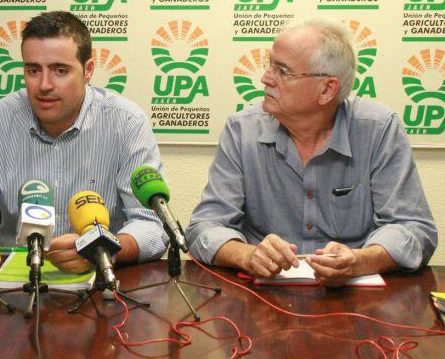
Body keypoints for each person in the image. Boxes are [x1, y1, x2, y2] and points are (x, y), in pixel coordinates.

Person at [186, 19, 437, 287]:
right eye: (270, 65)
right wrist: (247, 254)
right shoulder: (242, 130)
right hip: (263, 299)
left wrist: (359, 260)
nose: (266, 78)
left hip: (355, 300)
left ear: (327, 89)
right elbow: (203, 228)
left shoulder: (378, 129)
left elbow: (414, 229)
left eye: (282, 70)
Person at [0, 11, 167, 275]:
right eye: (33, 70)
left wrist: (102, 249)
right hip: (16, 287)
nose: (44, 85)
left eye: (60, 70)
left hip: (104, 282)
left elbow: (152, 225)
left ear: (88, 71)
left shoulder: (126, 122)